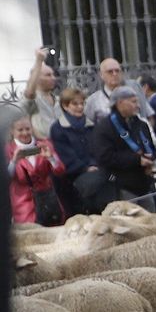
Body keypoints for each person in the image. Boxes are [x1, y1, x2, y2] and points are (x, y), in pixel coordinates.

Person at [90, 86, 156, 205]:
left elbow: (151, 147)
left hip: (145, 184)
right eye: (133, 102)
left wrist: (151, 158)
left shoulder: (141, 124)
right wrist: (137, 160)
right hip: (121, 187)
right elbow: (104, 157)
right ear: (120, 103)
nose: (138, 106)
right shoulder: (104, 128)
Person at [6, 116, 64, 225]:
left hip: (48, 199)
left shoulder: (44, 144)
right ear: (12, 131)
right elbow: (5, 179)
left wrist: (51, 158)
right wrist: (14, 161)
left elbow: (60, 171)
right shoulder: (8, 150)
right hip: (23, 203)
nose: (25, 133)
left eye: (28, 129)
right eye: (20, 130)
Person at [49, 87, 97, 216]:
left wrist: (93, 164)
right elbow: (64, 154)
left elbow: (95, 147)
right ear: (65, 106)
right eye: (75, 104)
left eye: (82, 103)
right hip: (69, 179)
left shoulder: (90, 125)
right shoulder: (58, 128)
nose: (80, 107)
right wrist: (84, 168)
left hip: (92, 174)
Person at [84, 58, 151, 126]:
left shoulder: (134, 91)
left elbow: (149, 116)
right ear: (101, 75)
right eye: (110, 71)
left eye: (117, 71)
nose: (114, 74)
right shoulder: (93, 100)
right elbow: (88, 126)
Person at [22, 48, 59, 140]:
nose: (53, 78)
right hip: (43, 145)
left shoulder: (58, 99)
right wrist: (39, 61)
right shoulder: (35, 98)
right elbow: (30, 93)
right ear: (36, 78)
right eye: (48, 75)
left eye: (53, 75)